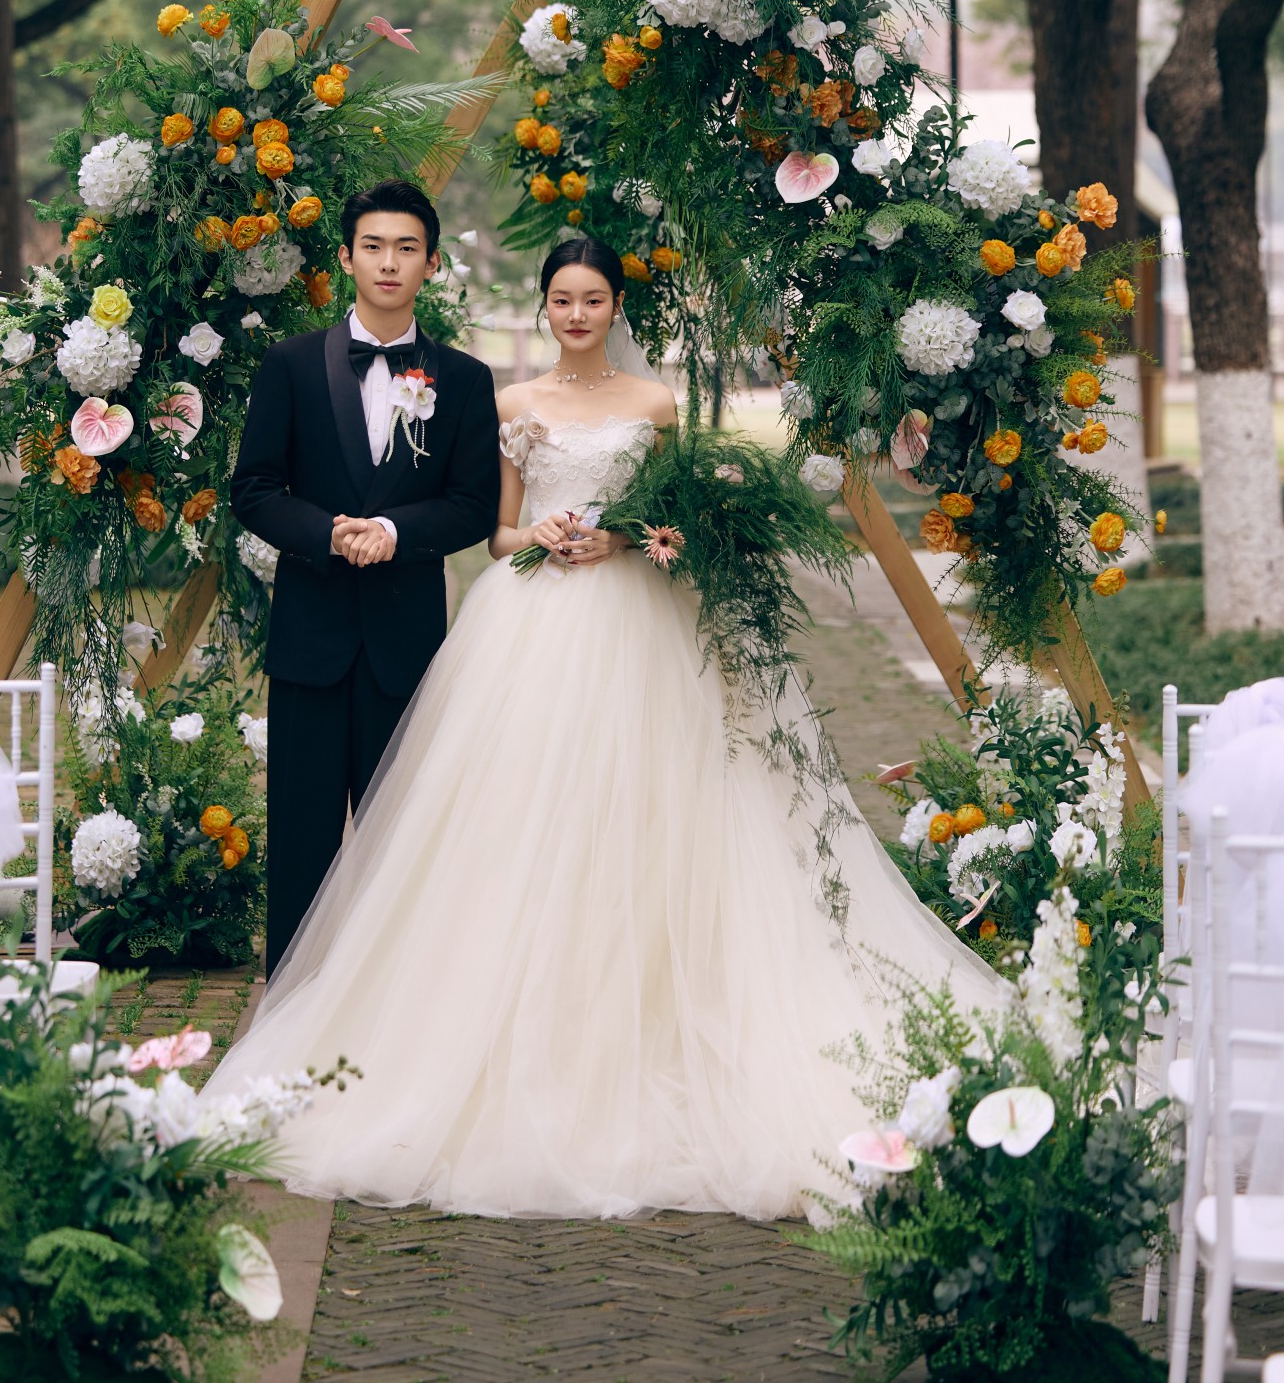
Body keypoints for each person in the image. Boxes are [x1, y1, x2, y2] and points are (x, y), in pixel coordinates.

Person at [210, 233, 1001, 1220]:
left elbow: (673, 526)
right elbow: (495, 528)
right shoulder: (510, 403)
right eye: (561, 300)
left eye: (592, 300)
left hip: (637, 624)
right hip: (533, 618)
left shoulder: (656, 404)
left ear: (615, 307)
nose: (576, 315)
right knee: (517, 817)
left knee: (653, 813)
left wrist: (624, 537)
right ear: (544, 307)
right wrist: (536, 534)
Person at [230, 177, 501, 970]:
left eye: (406, 249)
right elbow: (255, 488)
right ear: (346, 258)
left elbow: (472, 506)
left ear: (432, 263)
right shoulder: (289, 366)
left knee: (402, 845)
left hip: (405, 647)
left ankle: (397, 1002)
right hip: (309, 642)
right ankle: (291, 1001)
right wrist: (328, 535)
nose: (389, 263)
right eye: (373, 247)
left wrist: (392, 531)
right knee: (301, 842)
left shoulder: (464, 380)